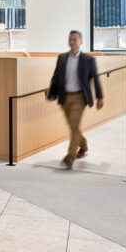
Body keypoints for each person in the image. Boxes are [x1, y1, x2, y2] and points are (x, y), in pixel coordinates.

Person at [46, 30, 104, 169]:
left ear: (81, 42)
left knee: (73, 125)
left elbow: (95, 78)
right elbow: (56, 77)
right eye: (70, 39)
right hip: (64, 96)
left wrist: (100, 97)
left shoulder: (88, 60)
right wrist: (52, 93)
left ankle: (70, 157)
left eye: (75, 39)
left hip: (80, 97)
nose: (72, 42)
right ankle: (83, 146)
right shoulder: (62, 58)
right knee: (73, 126)